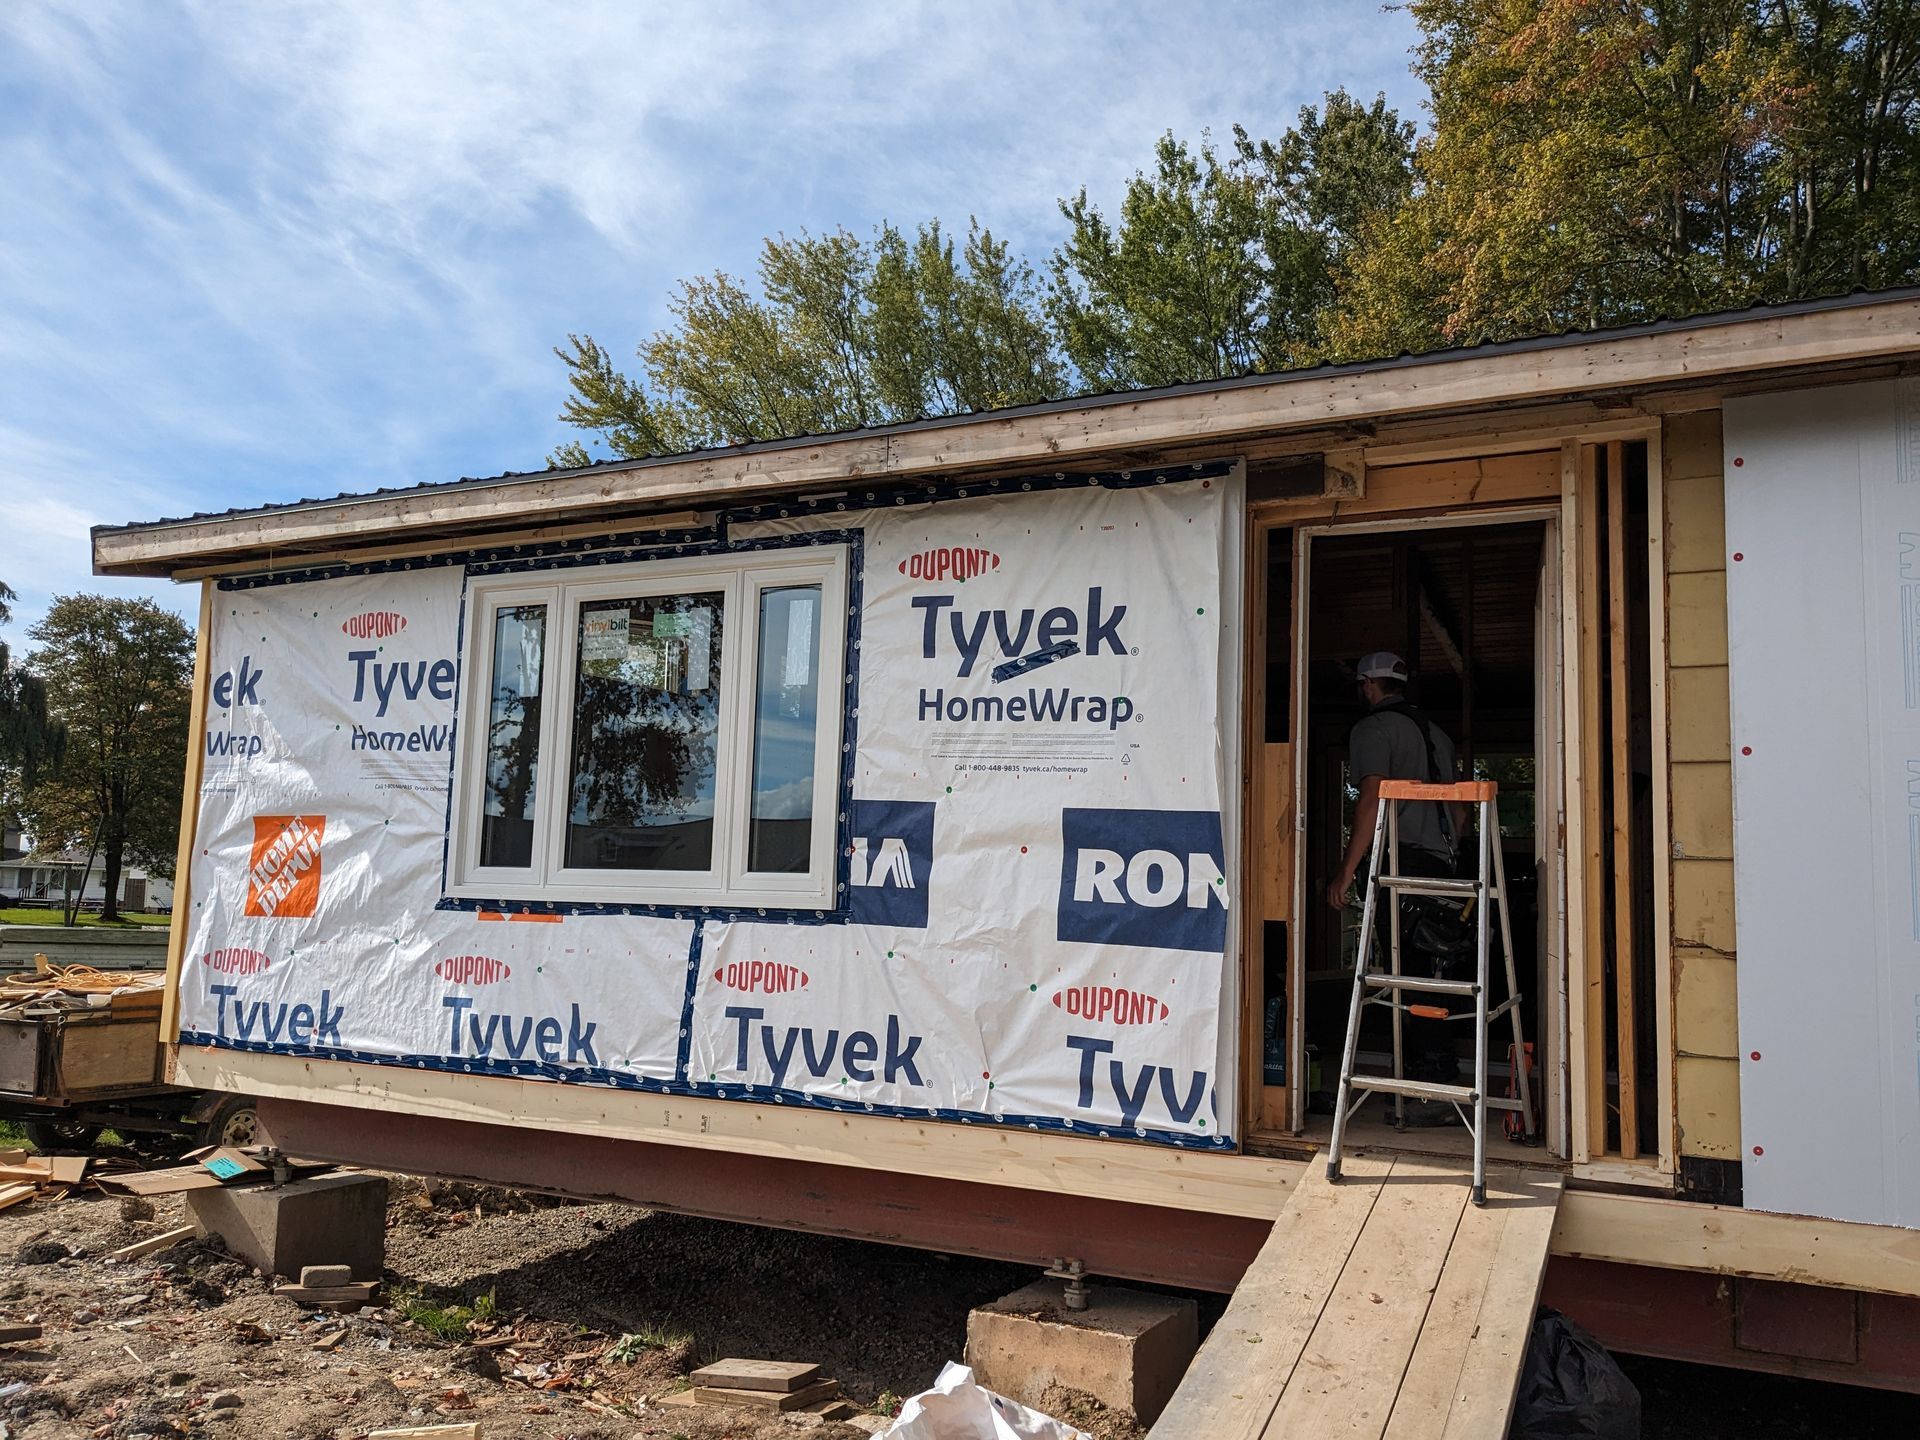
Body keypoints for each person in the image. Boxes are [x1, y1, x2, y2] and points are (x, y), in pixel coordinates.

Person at [1323, 651, 1470, 1115]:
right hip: (1440, 865)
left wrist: (1346, 870)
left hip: (1401, 862)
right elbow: (1461, 810)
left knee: (1405, 975)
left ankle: (1423, 1082)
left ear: (1368, 685)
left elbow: (1370, 799)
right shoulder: (1437, 736)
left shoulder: (1372, 730)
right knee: (1433, 972)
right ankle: (1437, 1071)